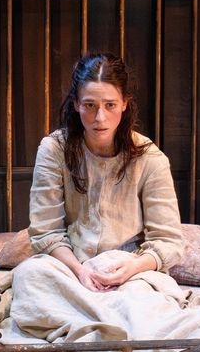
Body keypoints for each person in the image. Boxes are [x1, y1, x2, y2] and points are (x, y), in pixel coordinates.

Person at [27, 52, 184, 290]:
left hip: (128, 268)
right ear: (76, 104)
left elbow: (168, 240)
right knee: (30, 276)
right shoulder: (54, 150)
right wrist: (80, 271)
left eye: (110, 105)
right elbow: (45, 231)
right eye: (89, 105)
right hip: (70, 265)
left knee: (144, 297)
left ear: (124, 104)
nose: (100, 118)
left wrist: (131, 268)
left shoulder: (150, 158)